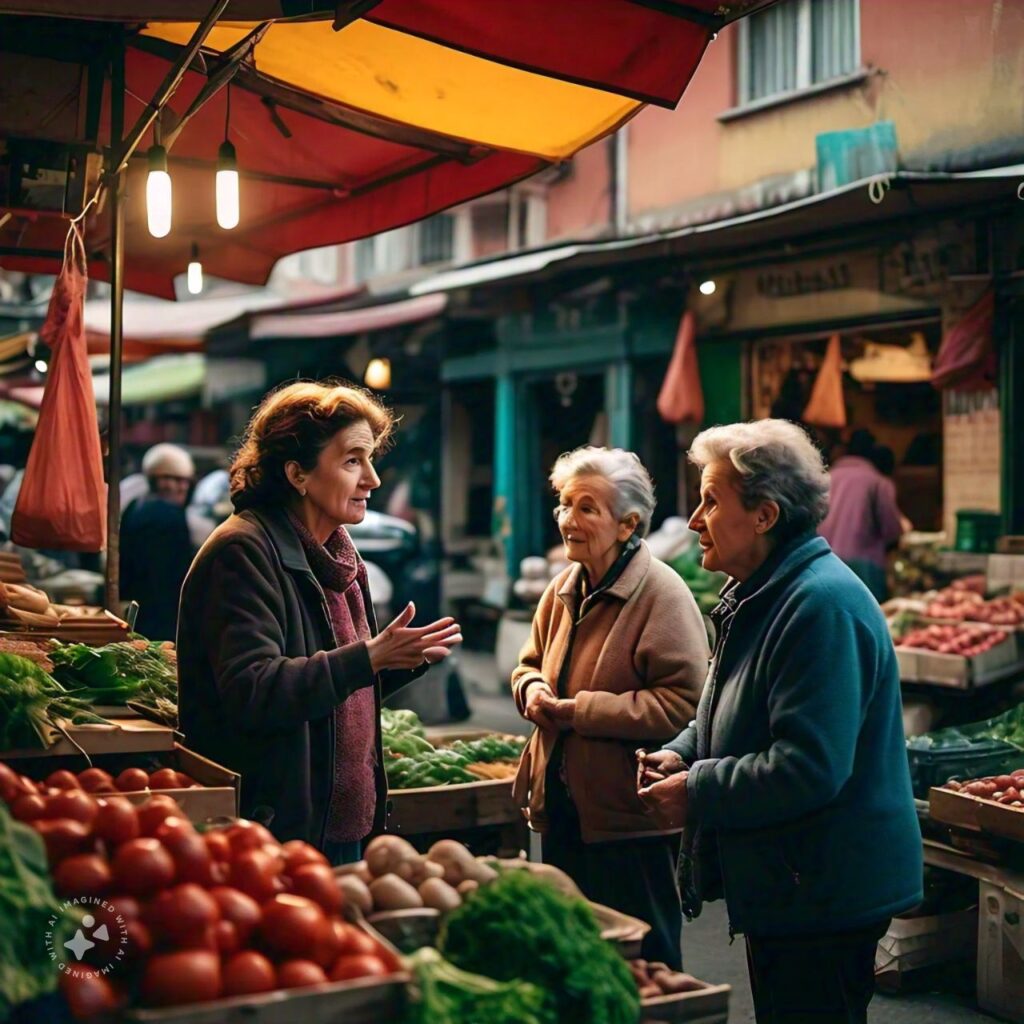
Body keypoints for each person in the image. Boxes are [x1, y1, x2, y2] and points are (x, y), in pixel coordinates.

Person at [636, 420, 922, 1024]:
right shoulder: (761, 592)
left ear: (764, 516)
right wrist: (684, 751)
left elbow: (808, 766)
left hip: (824, 891)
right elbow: (732, 705)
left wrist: (696, 790)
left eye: (711, 500)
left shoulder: (819, 606)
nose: (693, 520)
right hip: (793, 883)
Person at [176, 381, 461, 862]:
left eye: (370, 460)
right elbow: (253, 690)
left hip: (339, 823)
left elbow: (327, 683)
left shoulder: (340, 558)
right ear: (297, 473)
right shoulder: (243, 551)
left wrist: (394, 661)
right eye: (353, 461)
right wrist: (369, 657)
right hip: (274, 830)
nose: (372, 479)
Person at [511, 446, 708, 970]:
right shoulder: (563, 588)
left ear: (628, 524)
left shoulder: (663, 594)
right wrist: (530, 689)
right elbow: (529, 663)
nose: (568, 520)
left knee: (646, 959)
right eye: (565, 504)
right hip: (564, 808)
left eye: (587, 508)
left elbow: (684, 704)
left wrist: (580, 711)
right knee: (580, 954)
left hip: (629, 817)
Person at [120, 444, 197, 640]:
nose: (182, 487)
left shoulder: (135, 505)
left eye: (185, 481)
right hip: (161, 616)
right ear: (156, 480)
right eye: (175, 479)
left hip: (139, 610)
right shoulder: (168, 515)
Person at [818, 428, 904, 600]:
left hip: (822, 563)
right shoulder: (877, 482)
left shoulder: (824, 478)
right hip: (864, 568)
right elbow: (892, 529)